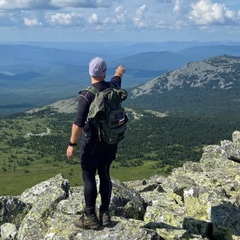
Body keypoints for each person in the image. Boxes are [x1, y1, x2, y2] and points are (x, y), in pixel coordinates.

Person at [66, 57, 126, 229]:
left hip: (92, 143)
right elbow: (116, 80)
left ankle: (90, 217)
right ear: (104, 72)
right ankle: (105, 214)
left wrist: (72, 145)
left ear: (89, 72)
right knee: (105, 174)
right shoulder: (112, 89)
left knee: (89, 177)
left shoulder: (86, 95)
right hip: (110, 141)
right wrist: (119, 72)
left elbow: (78, 123)